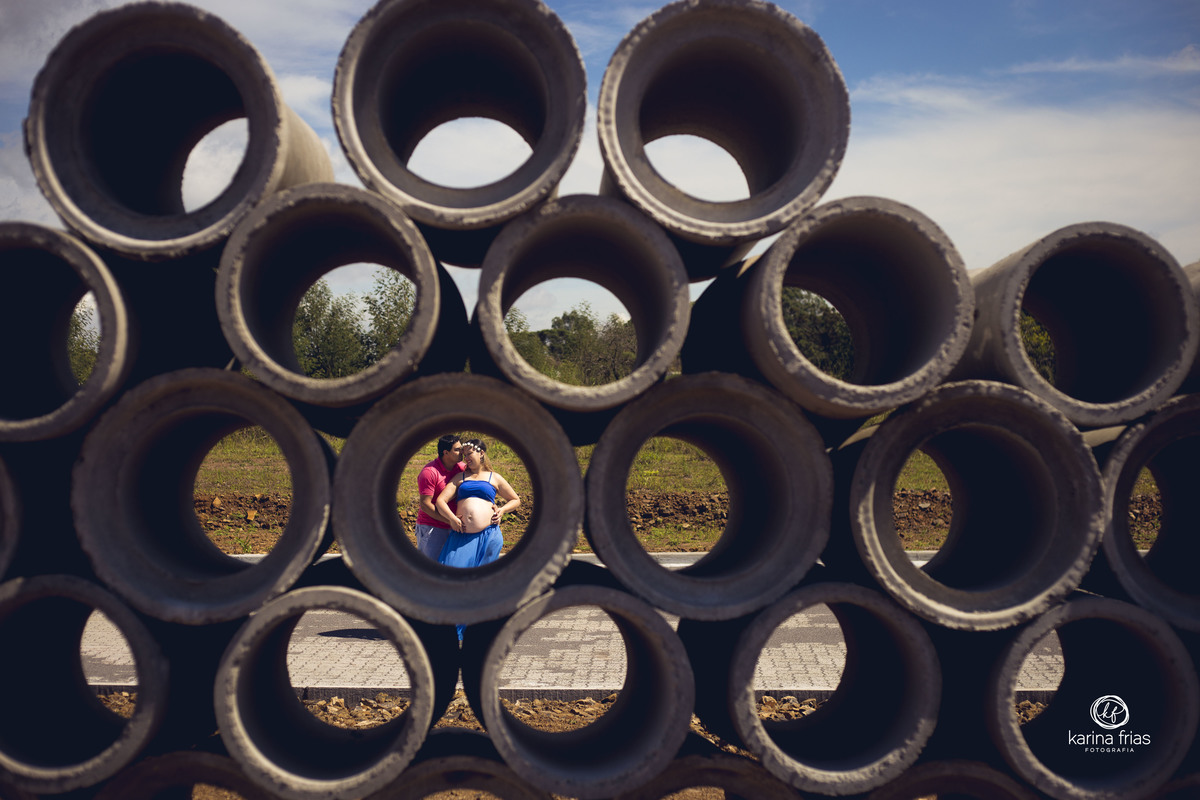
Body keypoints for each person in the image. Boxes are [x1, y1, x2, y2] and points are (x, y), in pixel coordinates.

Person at [435, 437, 520, 571]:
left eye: (469, 454)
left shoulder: (494, 477)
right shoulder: (460, 477)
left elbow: (516, 500)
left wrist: (502, 510)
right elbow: (440, 501)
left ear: (481, 453)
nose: (466, 458)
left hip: (489, 534)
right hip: (461, 535)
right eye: (464, 455)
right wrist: (452, 519)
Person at [414, 434, 466, 560]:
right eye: (457, 449)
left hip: (455, 528)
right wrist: (449, 521)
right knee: (430, 569)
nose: (462, 452)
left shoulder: (461, 468)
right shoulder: (429, 472)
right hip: (432, 527)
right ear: (446, 452)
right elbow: (426, 505)